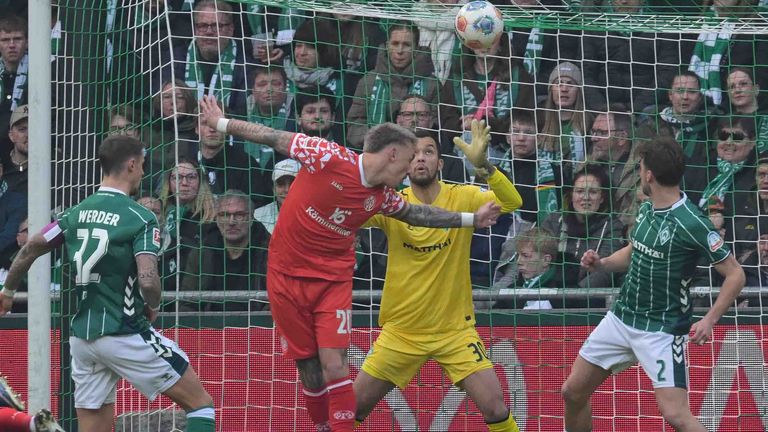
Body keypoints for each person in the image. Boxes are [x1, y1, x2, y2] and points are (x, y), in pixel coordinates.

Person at [199, 94, 501, 432]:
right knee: (310, 370)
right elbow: (270, 136)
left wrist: (470, 219)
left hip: (333, 281)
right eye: (407, 161)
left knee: (336, 364)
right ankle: (322, 426)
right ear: (393, 154)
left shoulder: (382, 198)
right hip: (285, 276)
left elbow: (419, 213)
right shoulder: (325, 155)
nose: (407, 173)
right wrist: (220, 123)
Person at [0, 135, 216, 431]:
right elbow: (149, 278)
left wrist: (8, 291)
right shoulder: (140, 217)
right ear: (130, 164)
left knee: (96, 427)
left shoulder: (74, 214)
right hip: (123, 329)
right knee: (200, 405)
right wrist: (152, 305)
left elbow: (30, 248)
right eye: (141, 165)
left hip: (82, 340)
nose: (142, 172)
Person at [561, 135, 746, 432]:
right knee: (572, 392)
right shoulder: (647, 208)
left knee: (676, 416)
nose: (639, 173)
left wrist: (710, 319)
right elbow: (636, 251)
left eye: (640, 167)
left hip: (661, 330)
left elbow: (736, 274)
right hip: (622, 319)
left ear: (649, 175)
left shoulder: (693, 222)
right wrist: (603, 263)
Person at [354, 126, 523, 432]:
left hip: (454, 331)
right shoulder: (393, 203)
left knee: (496, 407)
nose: (421, 159)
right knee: (350, 409)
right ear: (405, 163)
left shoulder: (463, 196)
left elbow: (512, 202)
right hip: (402, 332)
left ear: (441, 163)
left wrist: (485, 166)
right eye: (414, 154)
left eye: (429, 152)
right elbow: (353, 210)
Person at [181, 190, 270, 312]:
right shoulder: (201, 253)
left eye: (239, 215)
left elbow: (276, 301)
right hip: (210, 327)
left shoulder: (268, 252)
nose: (231, 222)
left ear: (250, 218)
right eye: (225, 215)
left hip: (258, 327)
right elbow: (187, 302)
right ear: (217, 219)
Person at [253, 158, 300, 234]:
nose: (287, 189)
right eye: (281, 184)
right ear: (273, 188)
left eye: (293, 183)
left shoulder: (313, 216)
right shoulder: (258, 215)